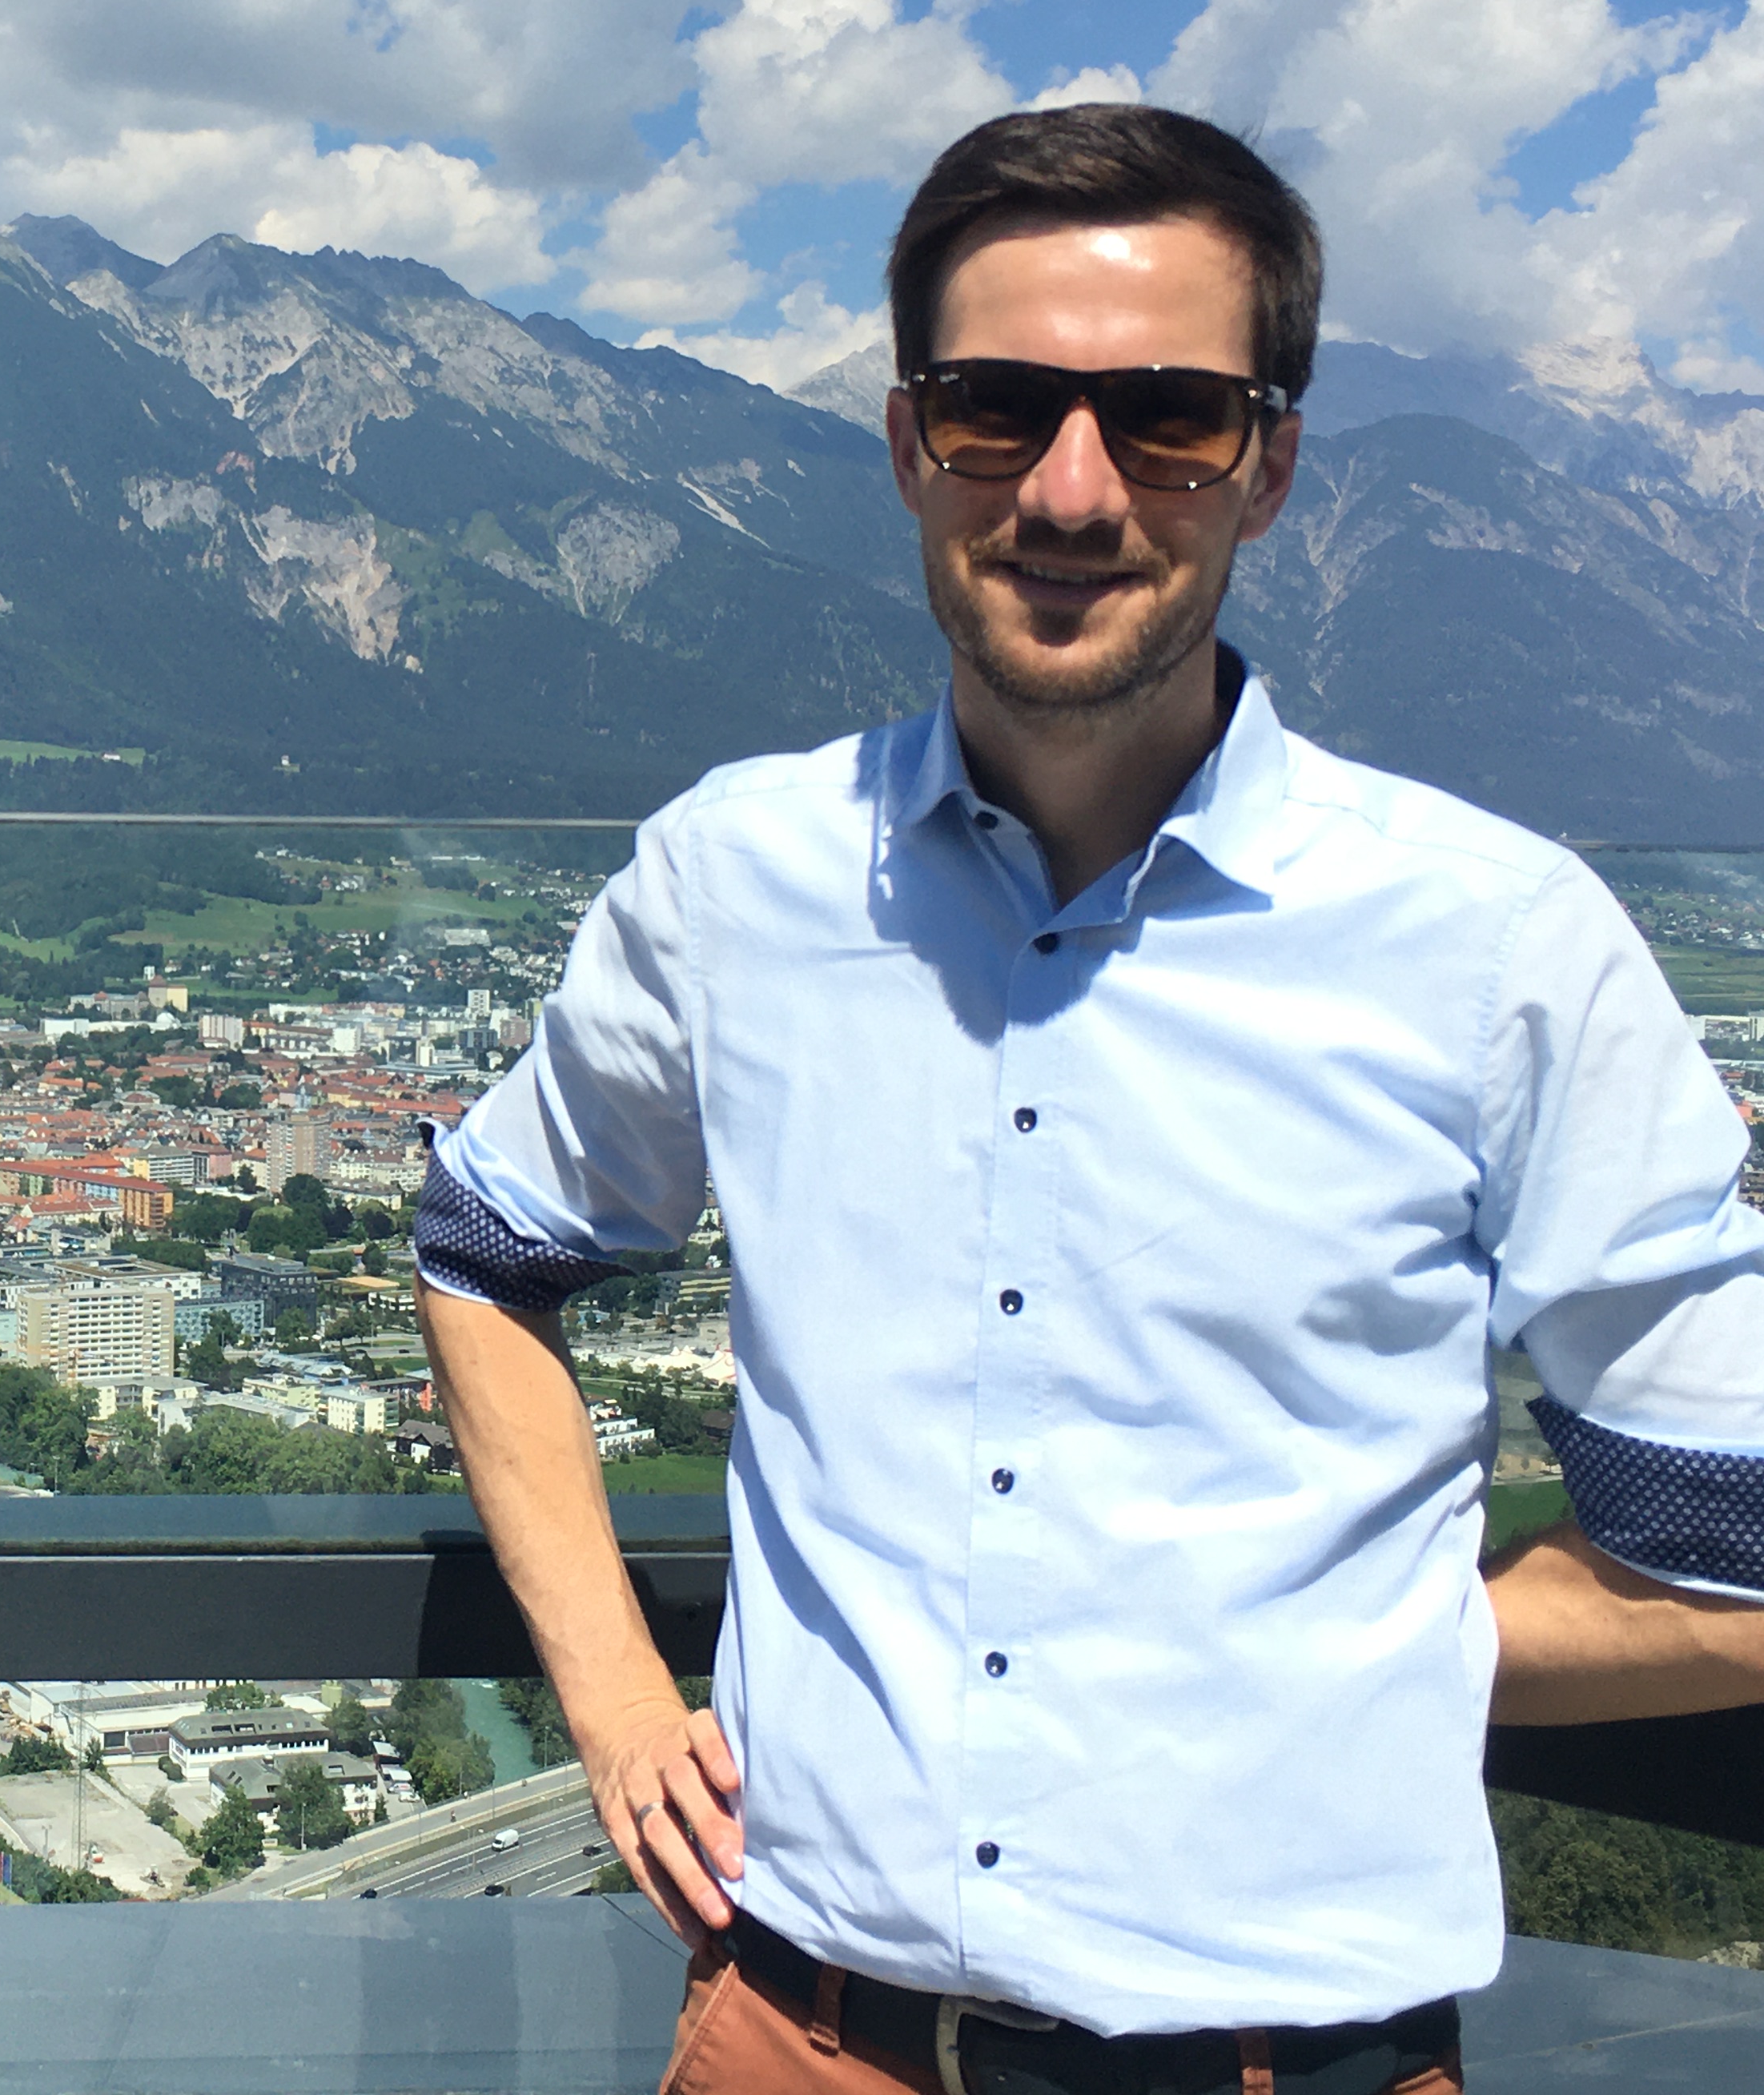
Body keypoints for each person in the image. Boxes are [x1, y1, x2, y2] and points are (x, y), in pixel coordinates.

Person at [416, 103, 1764, 2095]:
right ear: (904, 447)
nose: (1070, 487)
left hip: (1282, 2053)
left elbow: (1734, 1566)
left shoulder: (1497, 946)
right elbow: (485, 1253)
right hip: (802, 2034)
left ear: (1269, 468)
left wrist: (1337, 1652)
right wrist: (616, 1703)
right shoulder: (736, 882)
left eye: (1166, 419)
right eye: (995, 407)